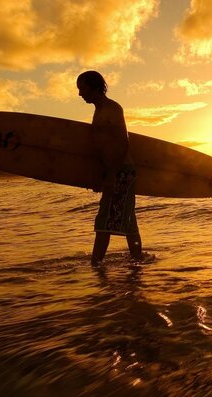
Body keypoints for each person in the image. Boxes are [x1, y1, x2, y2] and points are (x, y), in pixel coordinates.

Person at [77, 71, 143, 266]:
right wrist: (101, 175)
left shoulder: (112, 108)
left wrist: (112, 175)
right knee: (128, 220)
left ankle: (96, 266)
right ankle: (138, 263)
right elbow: (104, 147)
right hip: (115, 171)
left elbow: (123, 143)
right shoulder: (99, 110)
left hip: (122, 171)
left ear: (94, 87)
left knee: (105, 220)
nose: (80, 94)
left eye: (82, 89)